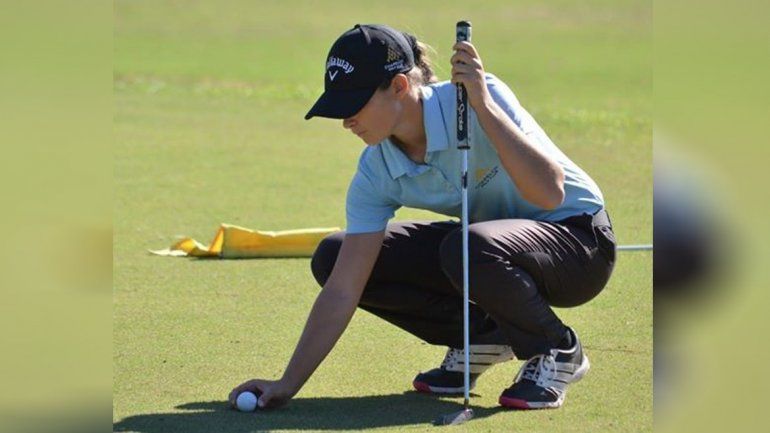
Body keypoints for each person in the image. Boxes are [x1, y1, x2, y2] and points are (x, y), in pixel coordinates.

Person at [229, 23, 616, 411]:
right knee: (334, 256)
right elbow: (344, 288)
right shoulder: (377, 168)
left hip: (579, 245)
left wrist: (483, 106)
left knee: (464, 246)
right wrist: (288, 382)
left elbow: (549, 193)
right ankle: (481, 338)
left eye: (354, 102)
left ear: (399, 87)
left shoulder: (479, 97)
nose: (345, 120)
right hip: (489, 253)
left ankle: (558, 349)